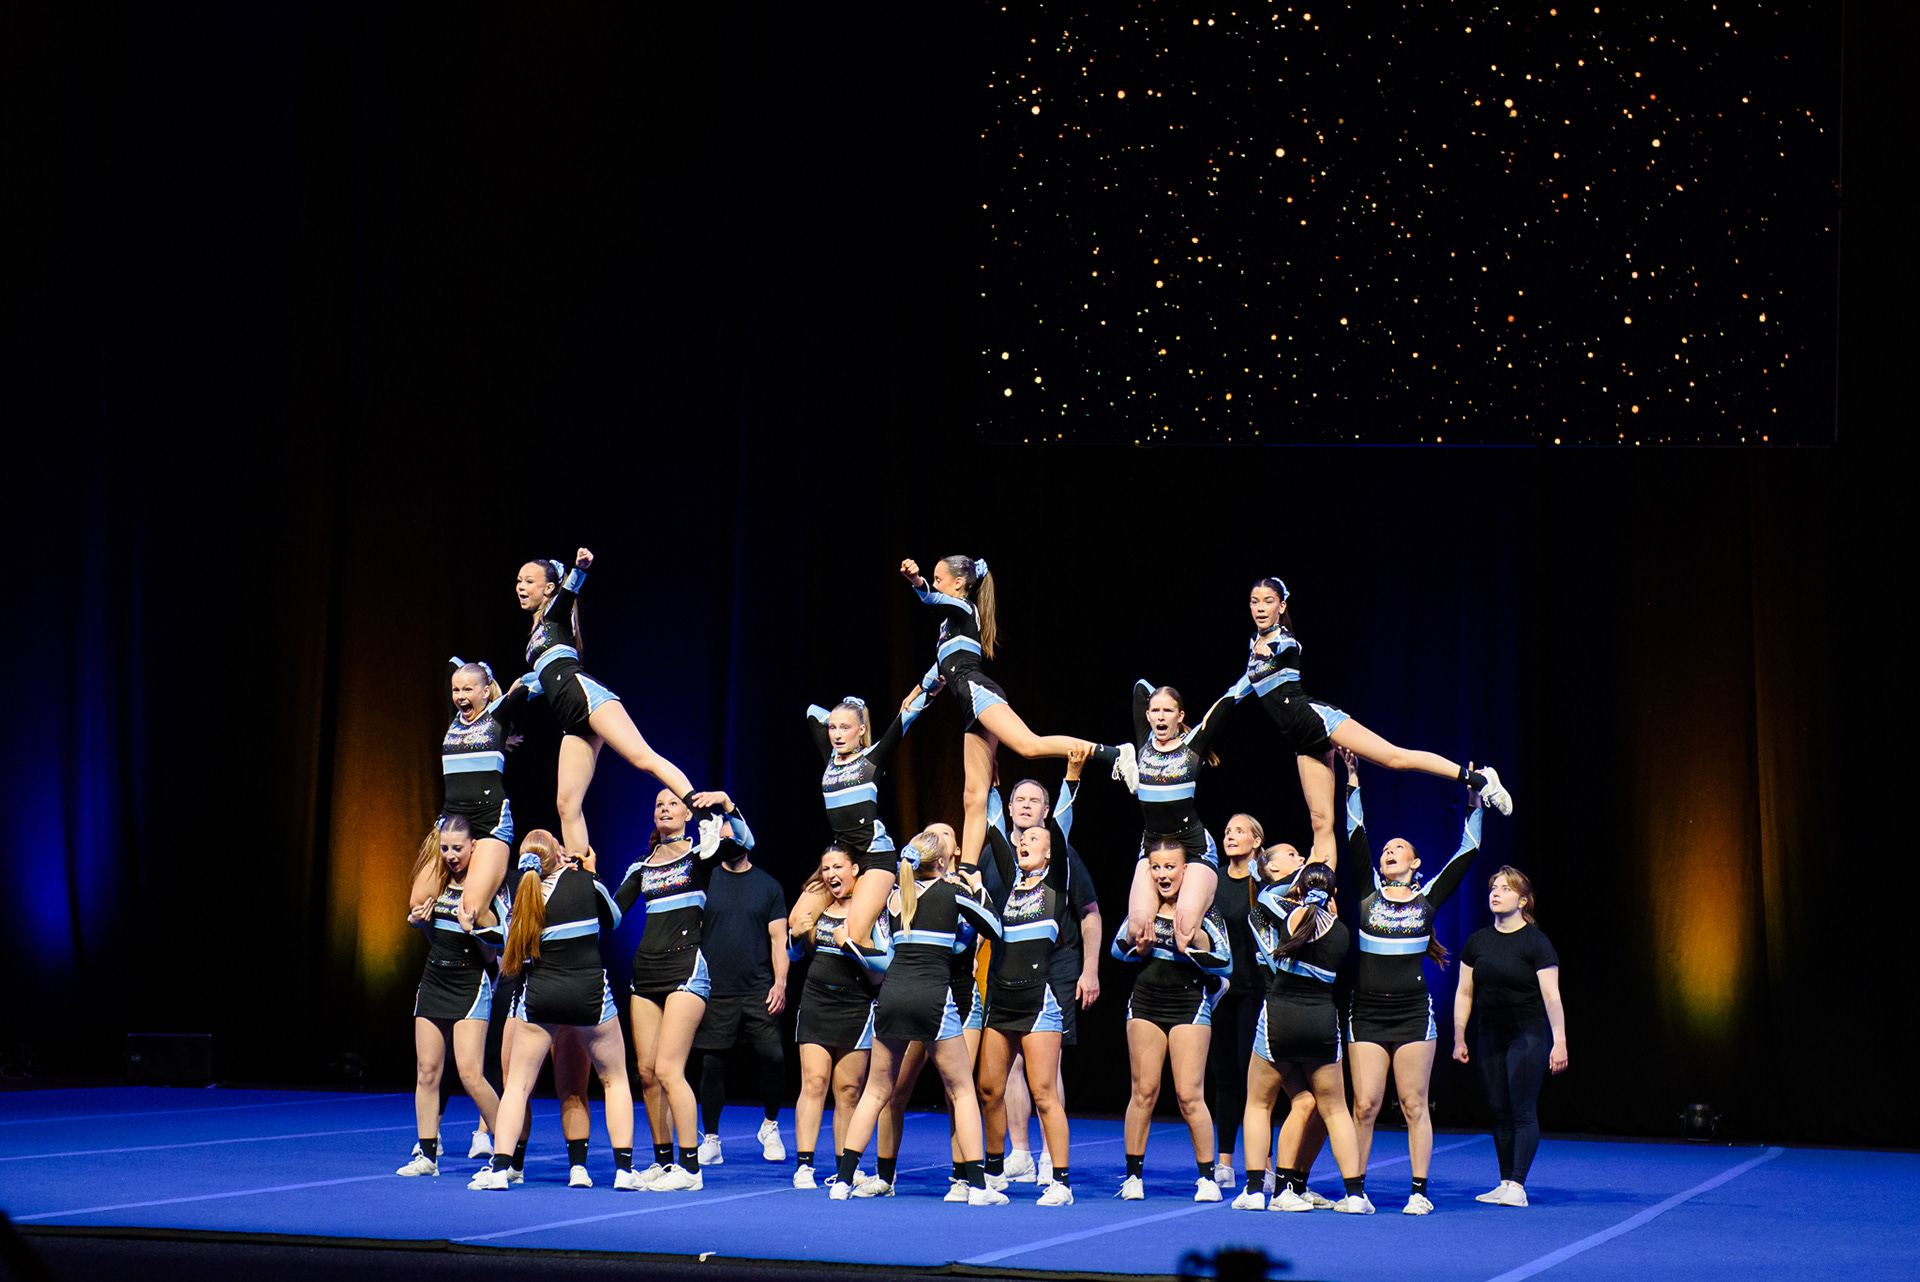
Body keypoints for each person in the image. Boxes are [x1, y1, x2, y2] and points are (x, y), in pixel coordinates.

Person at [893, 555, 1125, 938]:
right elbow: (939, 672)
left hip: (981, 696)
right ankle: (968, 873)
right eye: (932, 578)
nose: (935, 584)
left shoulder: (962, 608)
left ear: (959, 584)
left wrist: (917, 582)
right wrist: (915, 692)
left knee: (1030, 746)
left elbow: (932, 599)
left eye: (938, 578)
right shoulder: (950, 627)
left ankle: (1113, 754)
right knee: (973, 796)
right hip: (971, 709)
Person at [1231, 576, 1512, 873]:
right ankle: (1320, 892)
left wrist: (1269, 652)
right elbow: (1237, 691)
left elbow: (1288, 648)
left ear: (1281, 606)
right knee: (1320, 823)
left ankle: (1479, 779)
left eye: (1268, 601)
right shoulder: (1254, 645)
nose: (1260, 608)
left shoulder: (1283, 639)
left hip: (1321, 722)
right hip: (1303, 742)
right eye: (1254, 602)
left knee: (1395, 758)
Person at [829, 825, 1005, 1205]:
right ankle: (977, 1187)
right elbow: (994, 928)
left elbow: (888, 957)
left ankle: (843, 1181)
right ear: (942, 862)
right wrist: (978, 888)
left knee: (875, 1091)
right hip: (932, 997)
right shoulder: (953, 892)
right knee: (961, 1091)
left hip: (892, 996)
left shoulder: (895, 898)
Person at [1341, 749, 1484, 1214]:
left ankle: (1419, 1191)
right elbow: (1356, 833)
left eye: (1398, 848)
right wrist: (1353, 778)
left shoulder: (1427, 898)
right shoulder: (1367, 894)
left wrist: (1475, 801)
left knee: (1413, 1104)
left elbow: (1467, 852)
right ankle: (1355, 1191)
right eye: (1386, 849)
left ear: (1416, 862)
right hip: (1366, 1012)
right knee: (1365, 1104)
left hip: (1412, 1014)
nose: (1388, 851)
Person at [514, 550, 715, 872]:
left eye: (528, 581)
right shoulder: (538, 634)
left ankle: (705, 816)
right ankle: (581, 877)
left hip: (587, 698)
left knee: (643, 759)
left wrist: (580, 569)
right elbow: (536, 681)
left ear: (549, 588)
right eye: (519, 581)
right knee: (567, 804)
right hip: (571, 718)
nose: (520, 587)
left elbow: (569, 593)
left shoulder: (556, 615)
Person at [472, 836, 638, 1192]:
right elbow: (614, 918)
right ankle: (624, 1171)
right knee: (615, 1080)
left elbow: (502, 938)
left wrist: (473, 922)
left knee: (517, 1086)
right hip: (588, 995)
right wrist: (592, 873)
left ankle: (500, 1170)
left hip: (541, 997)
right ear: (560, 856)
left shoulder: (523, 895)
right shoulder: (585, 880)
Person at [613, 790, 753, 1192]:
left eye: (673, 803)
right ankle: (663, 1162)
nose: (664, 808)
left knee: (669, 1070)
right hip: (645, 974)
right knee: (647, 1073)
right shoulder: (640, 867)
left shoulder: (700, 855)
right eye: (658, 804)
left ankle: (691, 1169)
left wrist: (728, 805)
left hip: (686, 969)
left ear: (687, 814)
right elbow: (612, 915)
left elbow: (746, 842)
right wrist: (582, 880)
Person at [1233, 863, 1374, 1214]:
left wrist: (1294, 880)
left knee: (1259, 1104)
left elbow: (1265, 898)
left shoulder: (1288, 914)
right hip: (1320, 1021)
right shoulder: (1341, 931)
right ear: (1334, 894)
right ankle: (1355, 1195)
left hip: (1280, 1018)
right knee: (1335, 1109)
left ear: (1298, 890)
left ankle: (1255, 1190)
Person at [988, 771, 1101, 1186]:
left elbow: (1090, 913)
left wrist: (1090, 969)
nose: (1025, 806)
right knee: (1010, 1063)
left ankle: (1052, 1158)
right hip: (1007, 967)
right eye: (1019, 799)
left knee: (1046, 1066)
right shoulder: (1000, 856)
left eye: (1034, 800)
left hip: (1056, 965)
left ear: (1047, 811)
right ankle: (1019, 1153)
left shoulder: (1061, 857)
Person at [1111, 838, 1234, 1203]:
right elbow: (1117, 949)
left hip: (1189, 1005)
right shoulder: (1144, 908)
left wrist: (1194, 945)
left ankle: (1207, 1178)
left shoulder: (1204, 913)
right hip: (1146, 1003)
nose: (1163, 874)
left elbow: (1227, 963)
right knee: (1143, 1091)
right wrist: (1140, 948)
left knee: (1189, 1095)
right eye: (1156, 867)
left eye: (1170, 867)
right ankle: (1133, 1177)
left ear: (1186, 871)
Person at [967, 822, 1076, 1206]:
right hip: (1001, 1002)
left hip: (1037, 1005)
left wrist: (1067, 791)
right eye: (1022, 838)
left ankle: (1060, 1182)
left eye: (1035, 838)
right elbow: (993, 830)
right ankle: (995, 1171)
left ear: (1050, 852)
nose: (1025, 841)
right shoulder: (1008, 887)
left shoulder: (1056, 886)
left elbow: (1060, 831)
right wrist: (983, 798)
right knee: (988, 1089)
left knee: (1044, 1094)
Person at [486, 834, 600, 1188]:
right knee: (520, 1087)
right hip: (535, 998)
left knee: (555, 1088)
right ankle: (516, 1165)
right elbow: (508, 945)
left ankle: (563, 1166)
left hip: (546, 998)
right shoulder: (523, 891)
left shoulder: (573, 886)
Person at [396, 815, 506, 1177]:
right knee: (427, 1071)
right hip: (434, 978)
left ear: (474, 847)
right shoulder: (439, 882)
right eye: (445, 848)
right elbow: (434, 936)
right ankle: (427, 1156)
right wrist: (420, 922)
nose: (451, 855)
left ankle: (507, 1154)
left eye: (458, 848)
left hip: (470, 982)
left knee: (471, 1073)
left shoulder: (487, 887)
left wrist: (474, 928)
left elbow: (492, 953)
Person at [789, 685, 935, 952]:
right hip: (843, 858)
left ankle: (882, 957)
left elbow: (907, 718)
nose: (836, 735)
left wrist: (931, 683)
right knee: (797, 919)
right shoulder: (830, 757)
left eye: (845, 728)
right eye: (833, 728)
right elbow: (811, 712)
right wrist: (846, 712)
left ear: (862, 730)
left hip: (875, 857)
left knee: (855, 934)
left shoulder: (872, 758)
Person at [1454, 866, 1567, 1208]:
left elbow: (1551, 996)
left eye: (1505, 888)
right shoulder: (1477, 942)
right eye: (1494, 887)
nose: (1496, 893)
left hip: (1527, 1033)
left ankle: (1518, 1184)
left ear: (1522, 901)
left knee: (1522, 1109)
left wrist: (1559, 1040)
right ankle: (1505, 1181)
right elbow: (1464, 993)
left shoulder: (1536, 942)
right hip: (1489, 1033)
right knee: (1499, 1110)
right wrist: (1459, 1036)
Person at [787, 846, 886, 1189]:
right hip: (816, 1000)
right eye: (826, 867)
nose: (831, 874)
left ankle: (846, 1168)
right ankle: (804, 1166)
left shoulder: (871, 910)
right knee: (814, 1082)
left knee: (848, 1090)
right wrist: (795, 936)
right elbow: (794, 956)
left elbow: (881, 969)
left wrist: (850, 946)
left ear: (855, 869)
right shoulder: (821, 906)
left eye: (837, 866)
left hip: (856, 1004)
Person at [692, 831, 790, 1168]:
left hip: (759, 989)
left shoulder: (769, 886)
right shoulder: (705, 880)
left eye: (734, 837)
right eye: (723, 838)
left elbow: (779, 941)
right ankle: (711, 1140)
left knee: (773, 1058)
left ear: (747, 840)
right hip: (715, 989)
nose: (729, 843)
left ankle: (770, 1126)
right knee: (712, 1064)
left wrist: (780, 983)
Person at [1117, 682, 1238, 954]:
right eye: (1155, 710)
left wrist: (1254, 673)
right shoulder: (1144, 742)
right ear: (1147, 715)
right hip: (1154, 846)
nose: (1161, 716)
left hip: (1194, 846)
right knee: (1136, 931)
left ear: (1180, 716)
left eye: (1169, 711)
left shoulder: (1192, 745)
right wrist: (1162, 694)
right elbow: (1139, 687)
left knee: (1185, 930)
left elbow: (1228, 700)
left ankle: (1217, 954)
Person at [438, 657, 531, 921]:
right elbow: (451, 664)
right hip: (452, 820)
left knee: (472, 912)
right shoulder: (454, 717)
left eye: (468, 689)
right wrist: (474, 671)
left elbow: (533, 683)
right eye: (456, 690)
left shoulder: (497, 715)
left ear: (486, 691)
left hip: (490, 820)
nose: (460, 696)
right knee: (419, 902)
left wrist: (525, 681)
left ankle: (504, 924)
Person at [1203, 812, 1267, 1190]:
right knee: (1225, 1076)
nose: (1230, 836)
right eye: (1227, 830)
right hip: (1221, 991)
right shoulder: (1213, 881)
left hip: (1256, 991)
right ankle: (1224, 1162)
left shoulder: (1265, 883)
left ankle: (1265, 1164)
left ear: (1256, 841)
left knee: (1255, 1080)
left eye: (1239, 831)